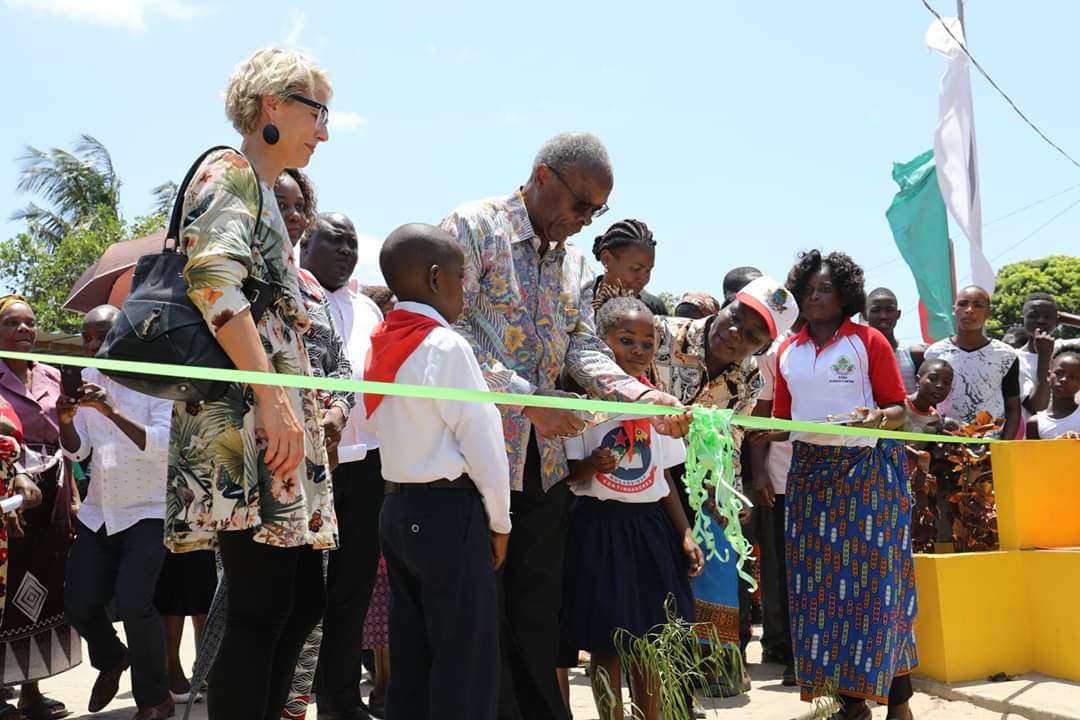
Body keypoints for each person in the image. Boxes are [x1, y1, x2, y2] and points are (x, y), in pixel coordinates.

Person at [439, 131, 689, 720]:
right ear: (544, 176)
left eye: (596, 211)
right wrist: (526, 400)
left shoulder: (573, 261)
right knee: (478, 612)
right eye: (581, 205)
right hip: (473, 458)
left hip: (544, 468)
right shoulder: (472, 227)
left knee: (535, 613)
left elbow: (581, 345)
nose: (585, 221)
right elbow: (450, 334)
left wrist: (643, 395)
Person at [165, 47, 335, 720]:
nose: (323, 131)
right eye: (316, 112)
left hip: (271, 414)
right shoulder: (230, 174)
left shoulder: (262, 189)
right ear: (273, 105)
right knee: (262, 606)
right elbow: (214, 283)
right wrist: (272, 400)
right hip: (246, 418)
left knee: (298, 600)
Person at [365, 223, 512, 720]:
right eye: (459, 277)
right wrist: (501, 520)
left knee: (412, 655)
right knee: (464, 659)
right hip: (449, 511)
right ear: (434, 279)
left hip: (397, 508)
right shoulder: (446, 347)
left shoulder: (380, 342)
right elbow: (481, 437)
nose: (463, 289)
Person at [773, 250, 916, 720]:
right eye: (808, 290)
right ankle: (843, 700)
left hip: (866, 471)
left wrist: (880, 416)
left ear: (845, 296)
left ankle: (892, 701)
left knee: (876, 589)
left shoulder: (867, 341)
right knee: (819, 590)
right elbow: (781, 420)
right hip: (809, 475)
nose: (814, 297)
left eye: (825, 289)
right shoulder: (785, 351)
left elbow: (899, 409)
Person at [652, 274, 797, 697]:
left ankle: (712, 664)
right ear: (725, 306)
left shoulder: (749, 378)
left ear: (762, 348)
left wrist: (729, 495)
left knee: (713, 559)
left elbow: (730, 442)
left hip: (699, 480)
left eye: (753, 335)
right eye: (737, 317)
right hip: (643, 469)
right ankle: (659, 674)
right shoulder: (661, 333)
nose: (736, 333)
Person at [561, 297, 704, 720]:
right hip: (600, 531)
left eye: (647, 343)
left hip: (649, 531)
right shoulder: (581, 403)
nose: (638, 351)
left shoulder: (657, 404)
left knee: (651, 640)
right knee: (609, 643)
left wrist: (684, 532)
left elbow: (664, 481)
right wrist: (590, 465)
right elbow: (567, 477)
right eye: (626, 341)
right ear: (600, 347)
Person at [58, 306, 174, 720]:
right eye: (86, 337)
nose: (92, 345)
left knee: (134, 603)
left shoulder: (156, 380)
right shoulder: (88, 381)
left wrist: (113, 411)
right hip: (99, 511)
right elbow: (77, 451)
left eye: (102, 335)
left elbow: (163, 445)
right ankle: (111, 659)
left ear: (124, 334)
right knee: (80, 603)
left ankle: (154, 699)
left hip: (147, 511)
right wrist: (66, 421)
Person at [275, 172, 359, 720]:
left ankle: (292, 704)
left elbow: (341, 367)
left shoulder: (312, 292)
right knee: (254, 609)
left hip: (317, 473)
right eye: (278, 204)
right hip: (259, 465)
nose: (291, 214)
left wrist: (335, 409)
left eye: (298, 205)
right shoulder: (231, 276)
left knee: (310, 601)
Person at [300, 212, 386, 720]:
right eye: (335, 241)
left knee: (352, 590)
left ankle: (340, 698)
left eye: (352, 243)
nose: (346, 251)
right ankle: (294, 696)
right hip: (308, 465)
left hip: (364, 467)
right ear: (305, 244)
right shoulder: (292, 298)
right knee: (304, 593)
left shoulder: (368, 311)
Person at [0, 295, 80, 720]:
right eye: (13, 324)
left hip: (51, 490)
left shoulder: (51, 374)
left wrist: (71, 495)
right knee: (5, 587)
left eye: (30, 323)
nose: (25, 330)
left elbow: (67, 442)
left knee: (45, 583)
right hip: (6, 491)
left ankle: (32, 690)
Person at [924, 286, 1021, 439]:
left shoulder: (1006, 355)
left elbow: (1013, 407)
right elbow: (928, 402)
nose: (969, 310)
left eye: (978, 305)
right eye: (962, 304)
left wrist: (1003, 446)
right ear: (954, 309)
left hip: (989, 445)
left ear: (988, 313)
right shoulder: (935, 353)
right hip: (945, 443)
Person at [588, 219, 666, 316]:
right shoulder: (578, 299)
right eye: (636, 268)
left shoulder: (653, 309)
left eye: (648, 270)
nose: (644, 279)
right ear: (606, 259)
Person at [863, 288, 925, 395]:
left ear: (898, 314)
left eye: (889, 310)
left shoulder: (914, 354)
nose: (883, 316)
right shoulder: (857, 354)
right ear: (865, 315)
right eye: (876, 310)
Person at [1027, 348, 1080, 439]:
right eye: (1059, 373)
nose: (1064, 379)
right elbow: (1033, 453)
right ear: (1048, 376)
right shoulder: (1036, 422)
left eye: (1073, 377)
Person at [901, 359, 953, 435]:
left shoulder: (935, 419)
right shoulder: (899, 407)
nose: (940, 386)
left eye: (946, 382)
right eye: (933, 379)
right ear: (917, 380)